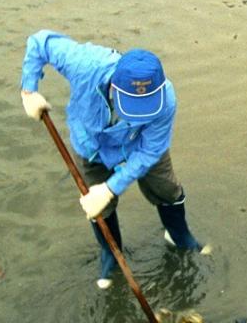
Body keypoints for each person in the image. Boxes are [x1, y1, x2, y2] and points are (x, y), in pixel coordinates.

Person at [19, 30, 203, 289]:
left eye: (146, 108)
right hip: (92, 146)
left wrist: (110, 188)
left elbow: (150, 152)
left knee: (167, 188)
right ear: (114, 87)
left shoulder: (166, 101)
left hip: (143, 147)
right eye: (132, 108)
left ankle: (178, 234)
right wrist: (28, 90)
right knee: (98, 207)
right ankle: (111, 254)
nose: (138, 118)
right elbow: (40, 42)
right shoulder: (84, 64)